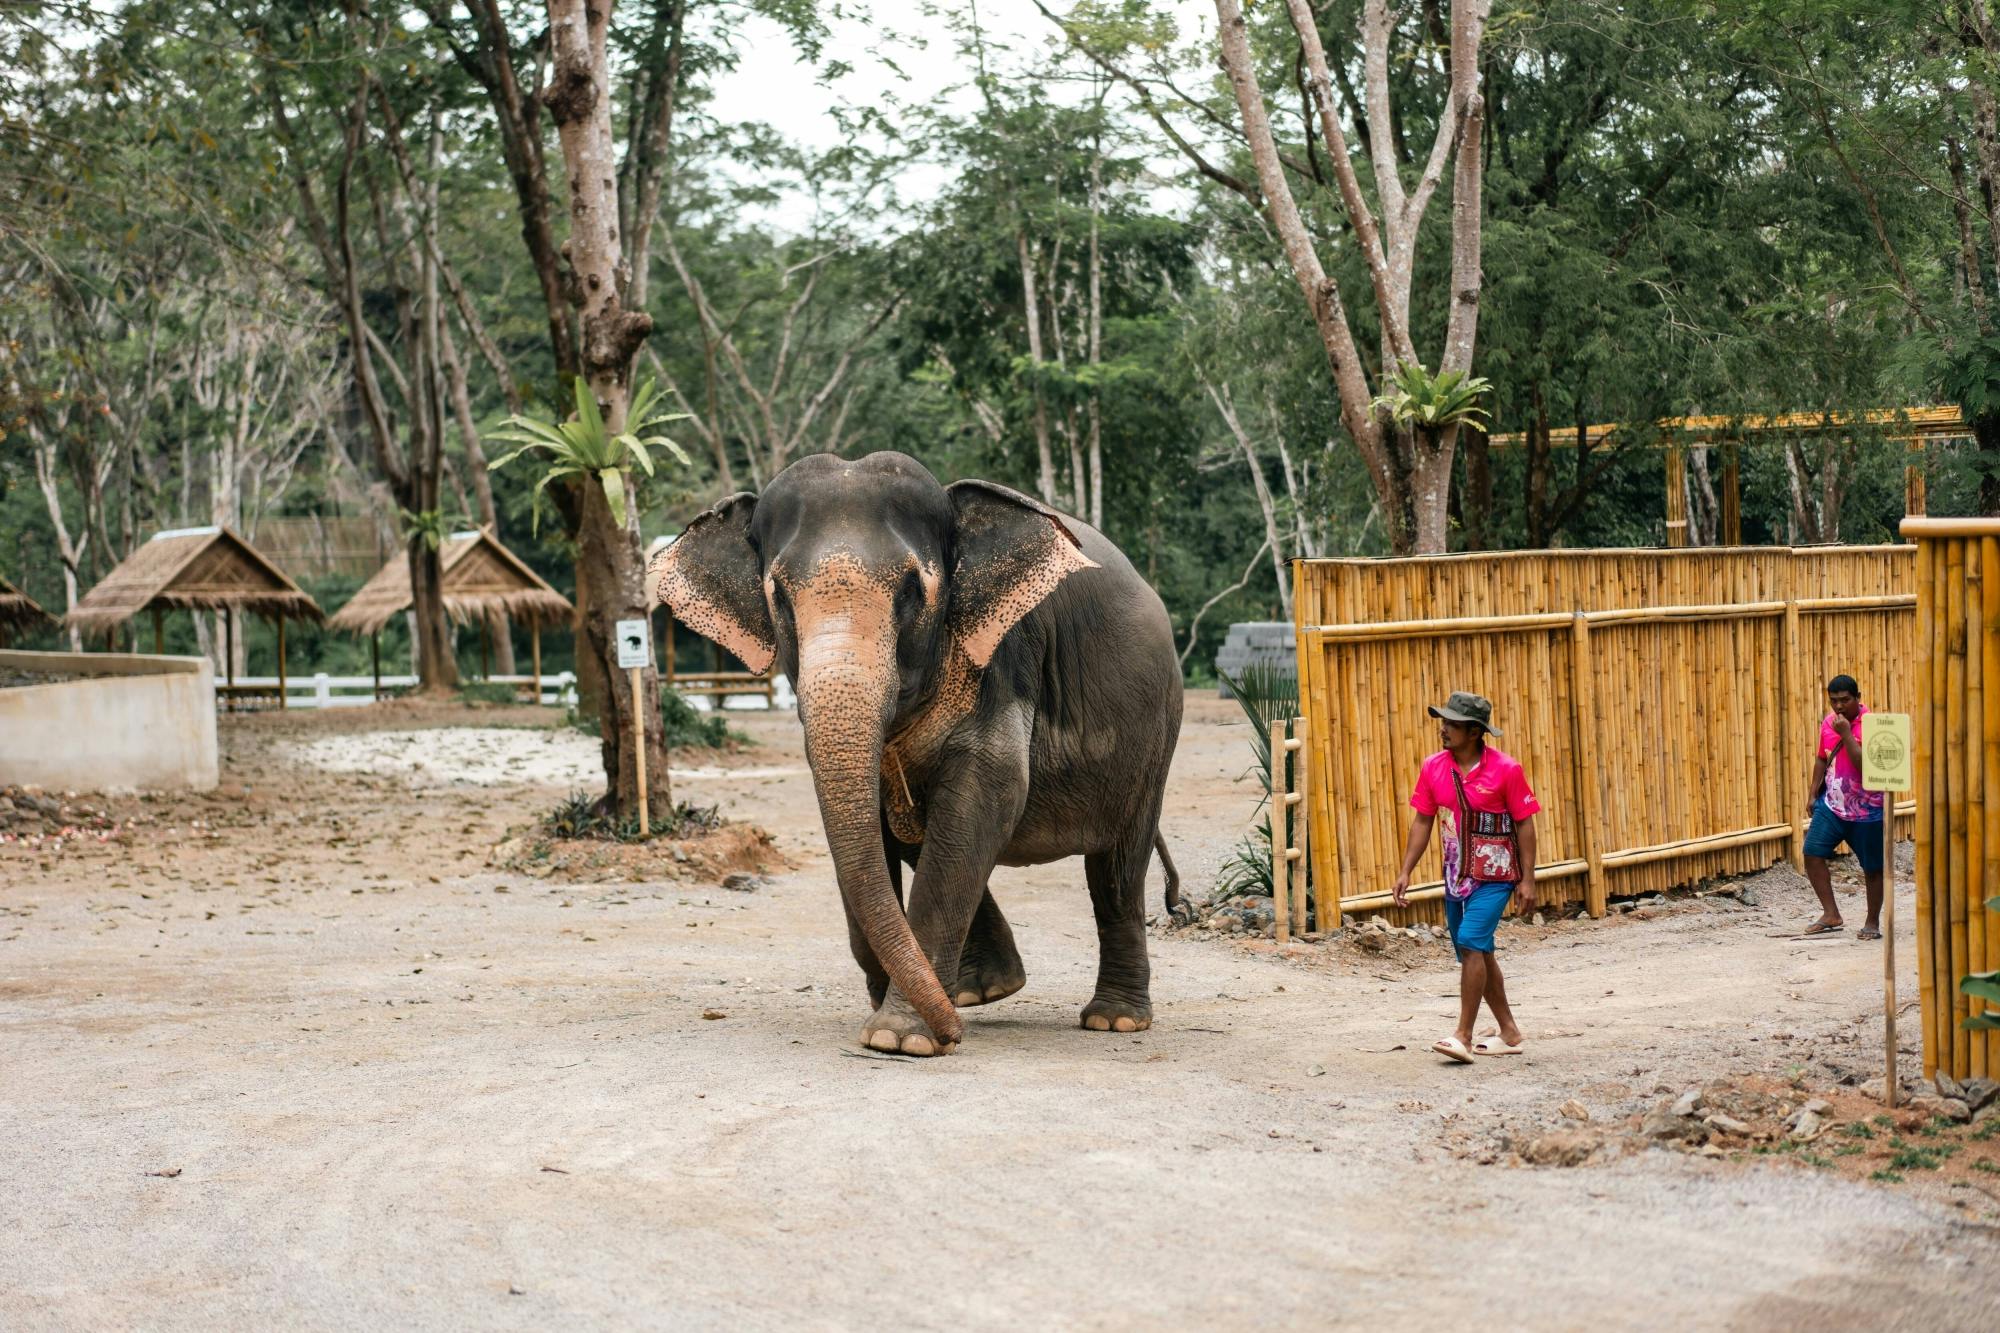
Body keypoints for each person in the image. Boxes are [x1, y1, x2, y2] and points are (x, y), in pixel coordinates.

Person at [1391, 691, 1540, 1064]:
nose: (1443, 729)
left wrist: (1528, 879)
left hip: (1497, 875)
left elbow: (1525, 824)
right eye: (1444, 722)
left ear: (1474, 732)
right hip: (1456, 877)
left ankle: (1463, 1035)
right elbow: (1423, 820)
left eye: (1452, 724)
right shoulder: (1433, 767)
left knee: (1472, 940)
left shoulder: (1507, 769)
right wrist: (1405, 870)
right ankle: (1509, 1031)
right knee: (1477, 952)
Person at [1801, 673, 1886, 939]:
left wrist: (1847, 734)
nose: (1838, 706)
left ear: (1858, 698)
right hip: (1833, 805)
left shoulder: (1873, 725)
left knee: (1872, 868)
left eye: (1845, 700)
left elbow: (1865, 766)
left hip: (1867, 809)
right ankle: (1831, 914)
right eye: (1833, 701)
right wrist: (1813, 793)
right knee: (1812, 852)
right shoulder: (1829, 723)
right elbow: (1821, 758)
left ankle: (1872, 922)